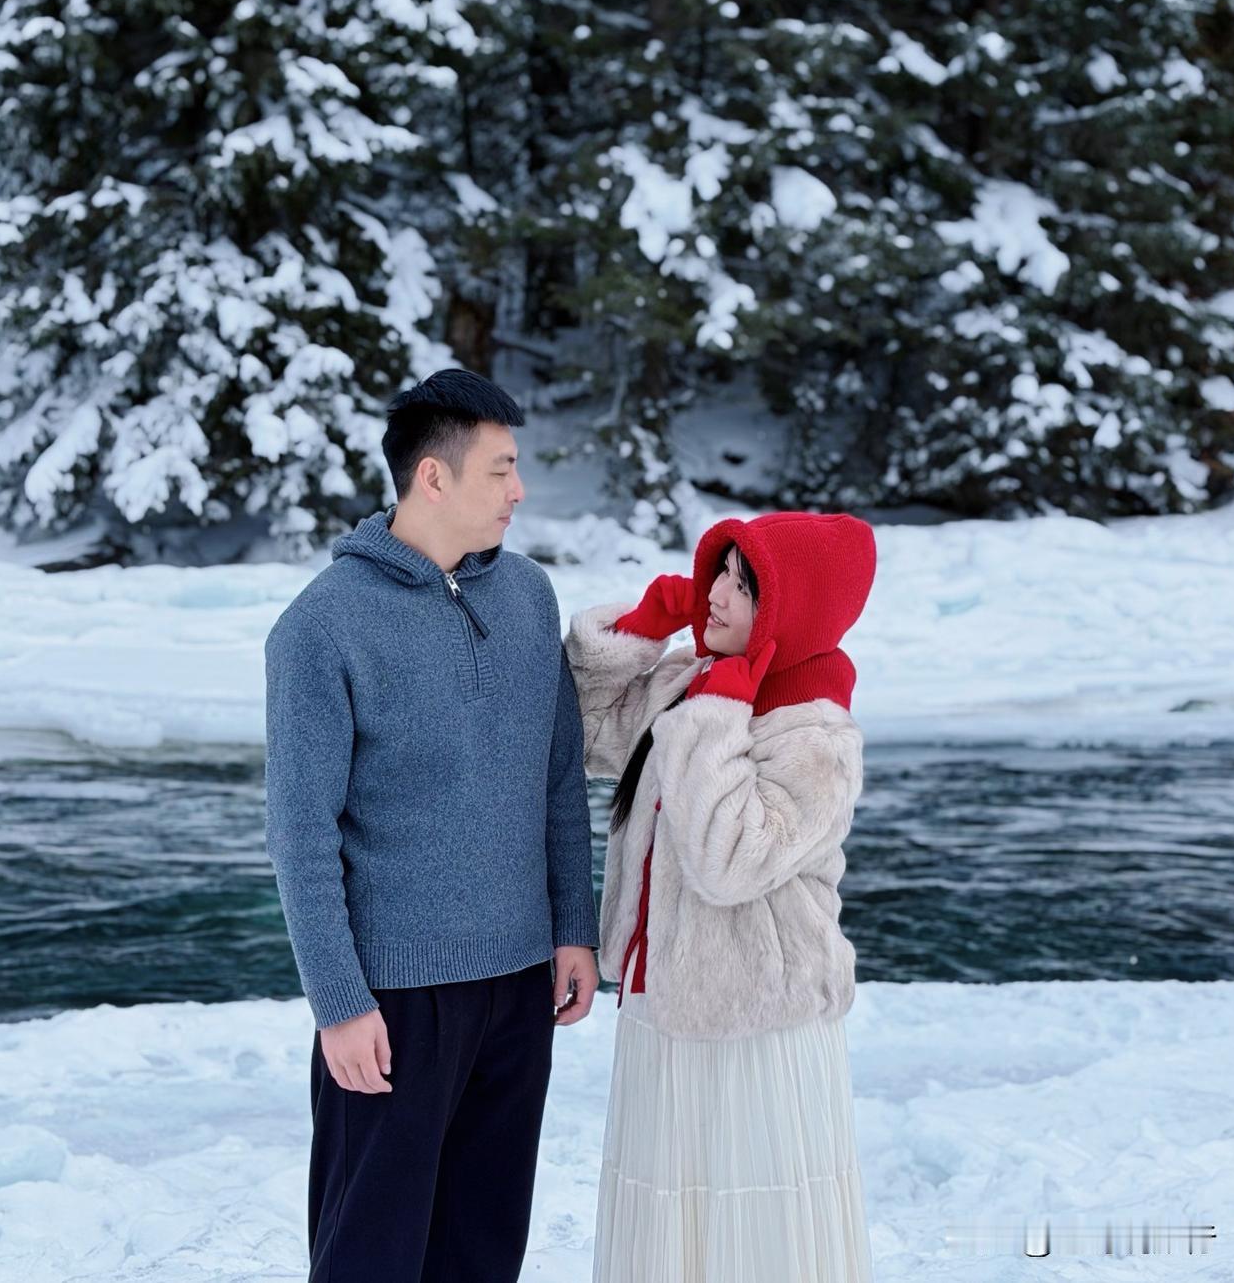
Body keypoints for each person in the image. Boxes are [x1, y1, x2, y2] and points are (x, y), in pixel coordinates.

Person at [263, 368, 600, 1283]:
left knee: (484, 1249)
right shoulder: (321, 627)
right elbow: (300, 834)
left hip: (520, 984)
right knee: (369, 1256)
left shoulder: (528, 596)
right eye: (500, 469)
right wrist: (339, 1003)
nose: (519, 490)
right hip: (396, 1000)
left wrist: (573, 926)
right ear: (434, 477)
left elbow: (557, 779)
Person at [564, 510, 879, 1283]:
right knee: (669, 1224)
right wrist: (637, 632)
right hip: (663, 1001)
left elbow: (730, 861)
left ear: (792, 610)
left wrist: (716, 718)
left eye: (746, 586)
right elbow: (580, 734)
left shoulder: (816, 737)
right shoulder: (692, 680)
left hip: (755, 1021)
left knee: (750, 1233)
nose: (718, 594)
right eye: (722, 573)